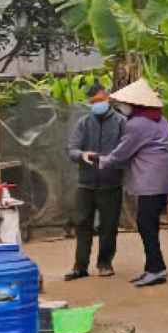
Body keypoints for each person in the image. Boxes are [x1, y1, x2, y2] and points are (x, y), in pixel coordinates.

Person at [87, 78, 168, 288]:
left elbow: (122, 153)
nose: (121, 107)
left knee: (146, 225)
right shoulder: (158, 118)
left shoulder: (137, 124)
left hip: (150, 179)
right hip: (161, 178)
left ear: (136, 104)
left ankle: (156, 269)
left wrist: (100, 160)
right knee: (149, 224)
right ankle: (152, 267)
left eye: (124, 104)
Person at [65, 82, 126, 280]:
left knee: (109, 226)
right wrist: (82, 155)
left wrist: (111, 161)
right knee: (82, 224)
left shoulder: (121, 122)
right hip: (86, 183)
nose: (97, 104)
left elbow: (126, 149)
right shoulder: (83, 123)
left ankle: (105, 263)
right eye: (93, 102)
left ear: (108, 98)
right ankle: (80, 266)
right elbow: (72, 149)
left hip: (111, 183)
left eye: (100, 100)